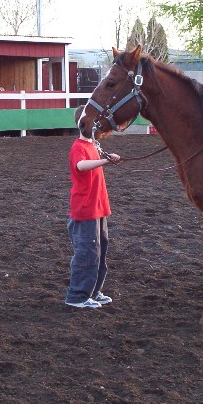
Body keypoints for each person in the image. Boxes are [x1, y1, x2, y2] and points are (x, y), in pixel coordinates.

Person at [65, 105, 121, 308]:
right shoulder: (78, 147)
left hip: (98, 207)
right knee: (87, 252)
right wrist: (104, 161)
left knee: (99, 252)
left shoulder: (93, 145)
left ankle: (94, 291)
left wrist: (106, 158)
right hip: (86, 208)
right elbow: (80, 166)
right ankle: (77, 296)